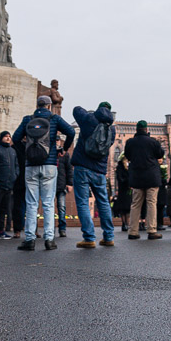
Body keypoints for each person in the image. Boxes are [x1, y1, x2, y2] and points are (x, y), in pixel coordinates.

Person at [13, 94, 74, 251]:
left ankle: (30, 239)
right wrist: (63, 149)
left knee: (31, 203)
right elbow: (71, 132)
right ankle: (49, 239)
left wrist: (26, 151)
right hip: (49, 164)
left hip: (31, 165)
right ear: (48, 106)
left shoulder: (28, 119)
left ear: (37, 105)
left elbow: (15, 138)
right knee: (48, 203)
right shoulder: (54, 119)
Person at [70, 101, 117, 248]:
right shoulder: (112, 129)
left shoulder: (89, 120)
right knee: (103, 202)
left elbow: (76, 109)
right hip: (99, 171)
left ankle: (89, 238)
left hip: (82, 168)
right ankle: (108, 237)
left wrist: (91, 114)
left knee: (83, 202)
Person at [124, 120, 164, 240]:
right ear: (147, 130)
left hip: (137, 177)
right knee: (151, 203)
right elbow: (160, 154)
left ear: (136, 130)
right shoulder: (153, 142)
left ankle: (133, 231)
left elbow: (128, 155)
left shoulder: (130, 142)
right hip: (152, 177)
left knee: (136, 204)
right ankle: (151, 230)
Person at [56, 143, 72, 238]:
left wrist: (69, 183)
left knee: (62, 207)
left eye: (58, 141)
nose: (56, 142)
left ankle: (62, 229)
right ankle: (49, 229)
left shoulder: (65, 154)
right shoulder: (49, 152)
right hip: (49, 185)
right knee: (48, 208)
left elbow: (69, 169)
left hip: (61, 185)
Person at [114, 156, 132, 233]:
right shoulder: (120, 167)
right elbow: (120, 178)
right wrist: (127, 182)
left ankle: (127, 223)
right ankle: (123, 223)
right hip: (123, 189)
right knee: (123, 208)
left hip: (129, 189)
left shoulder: (130, 167)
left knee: (128, 208)